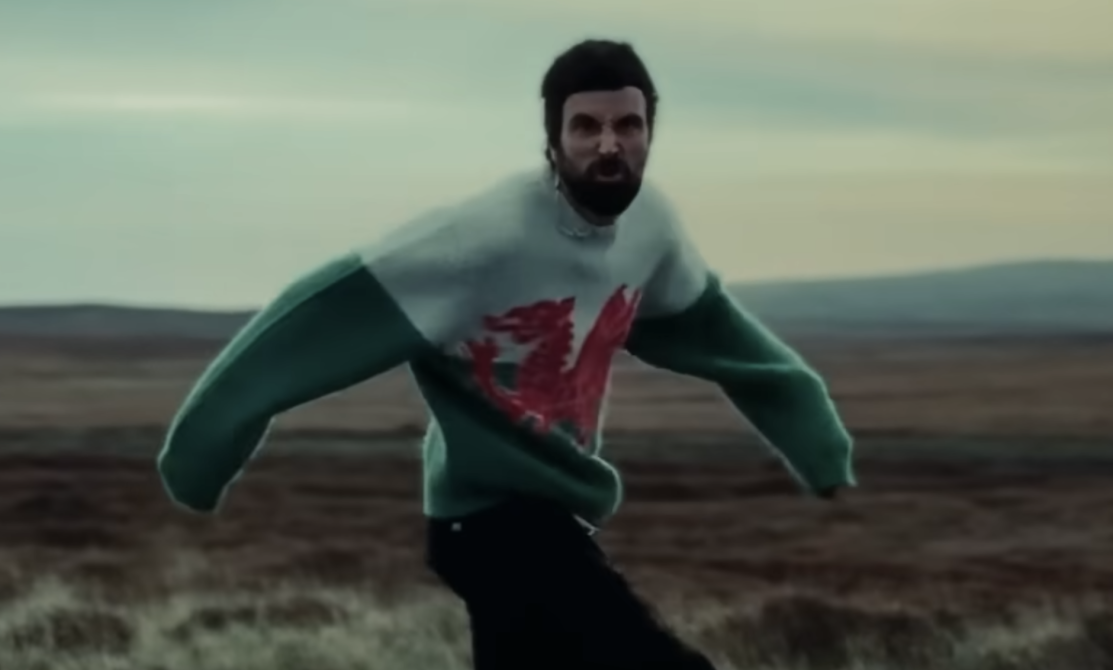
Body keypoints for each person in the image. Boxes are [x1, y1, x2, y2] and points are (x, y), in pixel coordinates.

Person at [157, 38, 856, 670]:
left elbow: (719, 335)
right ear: (552, 138)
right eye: (585, 126)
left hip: (555, 513)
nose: (608, 144)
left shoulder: (650, 229)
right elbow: (314, 318)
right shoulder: (481, 241)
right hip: (487, 520)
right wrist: (203, 451)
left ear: (650, 132)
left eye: (627, 125)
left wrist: (815, 438)